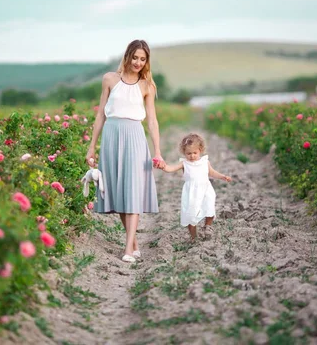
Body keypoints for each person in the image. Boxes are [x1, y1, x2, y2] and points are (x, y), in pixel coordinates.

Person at [86, 39, 166, 263]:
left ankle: (128, 250)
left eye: (143, 59)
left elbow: (152, 121)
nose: (139, 62)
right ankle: (134, 244)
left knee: (132, 190)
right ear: (128, 56)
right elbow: (101, 114)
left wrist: (157, 151)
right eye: (135, 57)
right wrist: (92, 147)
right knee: (120, 192)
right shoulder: (109, 79)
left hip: (134, 138)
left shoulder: (147, 86)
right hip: (111, 136)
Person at [159, 133, 231, 241]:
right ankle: (193, 237)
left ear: (200, 150)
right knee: (191, 216)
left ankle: (208, 227)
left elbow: (212, 172)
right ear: (184, 152)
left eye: (194, 153)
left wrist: (222, 176)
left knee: (209, 208)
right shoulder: (184, 163)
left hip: (206, 190)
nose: (192, 156)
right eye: (188, 153)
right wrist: (164, 167)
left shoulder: (204, 162)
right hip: (191, 193)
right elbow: (171, 168)